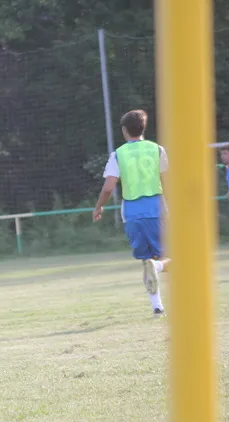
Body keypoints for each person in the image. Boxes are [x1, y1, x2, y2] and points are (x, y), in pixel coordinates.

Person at [93, 109, 171, 317]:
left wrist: (98, 206)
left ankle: (157, 307)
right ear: (143, 128)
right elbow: (168, 181)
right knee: (171, 259)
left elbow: (108, 187)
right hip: (156, 210)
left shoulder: (118, 154)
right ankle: (159, 267)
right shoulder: (157, 150)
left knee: (146, 262)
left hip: (131, 214)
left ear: (124, 130)